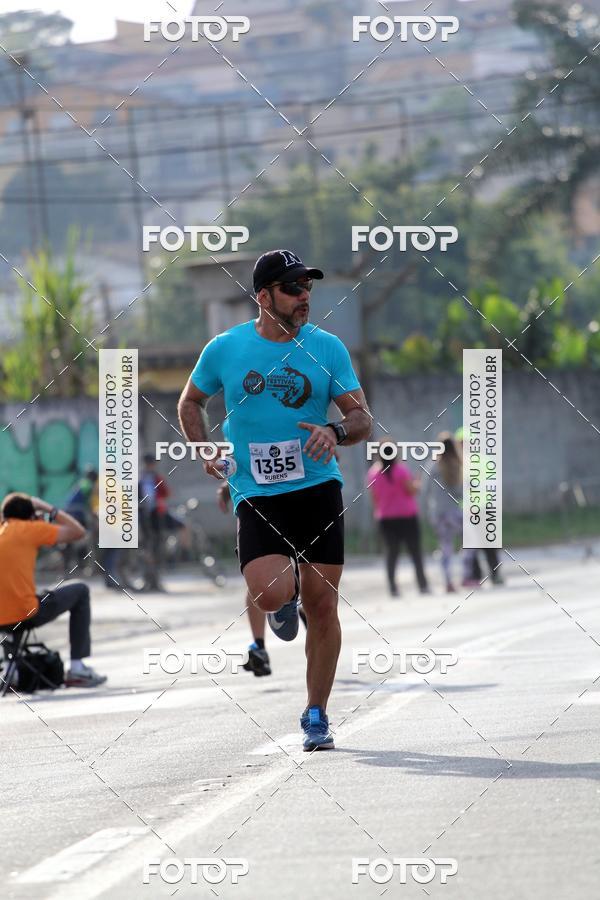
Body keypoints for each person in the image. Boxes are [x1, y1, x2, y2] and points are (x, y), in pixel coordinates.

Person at [178, 249, 371, 750]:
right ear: (263, 297)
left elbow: (361, 419)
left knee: (323, 604)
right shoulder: (225, 348)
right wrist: (205, 450)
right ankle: (283, 605)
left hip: (318, 488)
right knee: (269, 593)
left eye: (307, 287)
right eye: (292, 289)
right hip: (258, 492)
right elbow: (190, 401)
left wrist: (335, 430)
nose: (303, 296)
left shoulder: (327, 348)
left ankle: (316, 714)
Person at [0, 492, 107, 688]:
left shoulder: (3, 530)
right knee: (81, 590)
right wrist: (49, 509)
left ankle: (10, 669)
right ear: (31, 516)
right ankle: (77, 668)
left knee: (11, 601)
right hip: (25, 614)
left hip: (3, 619)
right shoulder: (30, 529)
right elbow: (78, 532)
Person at [217, 481, 271, 677]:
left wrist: (329, 448)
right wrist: (227, 483)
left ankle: (306, 616)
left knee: (303, 570)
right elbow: (244, 452)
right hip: (254, 499)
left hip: (298, 494)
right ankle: (258, 645)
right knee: (257, 579)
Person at [366, 450, 430, 597]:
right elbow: (412, 491)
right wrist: (418, 483)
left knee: (391, 553)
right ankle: (422, 585)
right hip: (407, 516)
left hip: (385, 518)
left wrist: (380, 512)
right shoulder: (401, 470)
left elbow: (373, 497)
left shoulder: (373, 473)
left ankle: (393, 588)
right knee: (415, 552)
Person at [422, 432, 463, 593]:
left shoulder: (432, 465)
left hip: (438, 513)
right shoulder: (456, 464)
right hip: (454, 513)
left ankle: (448, 581)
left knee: (445, 547)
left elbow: (425, 490)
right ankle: (467, 574)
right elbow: (461, 492)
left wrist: (428, 511)